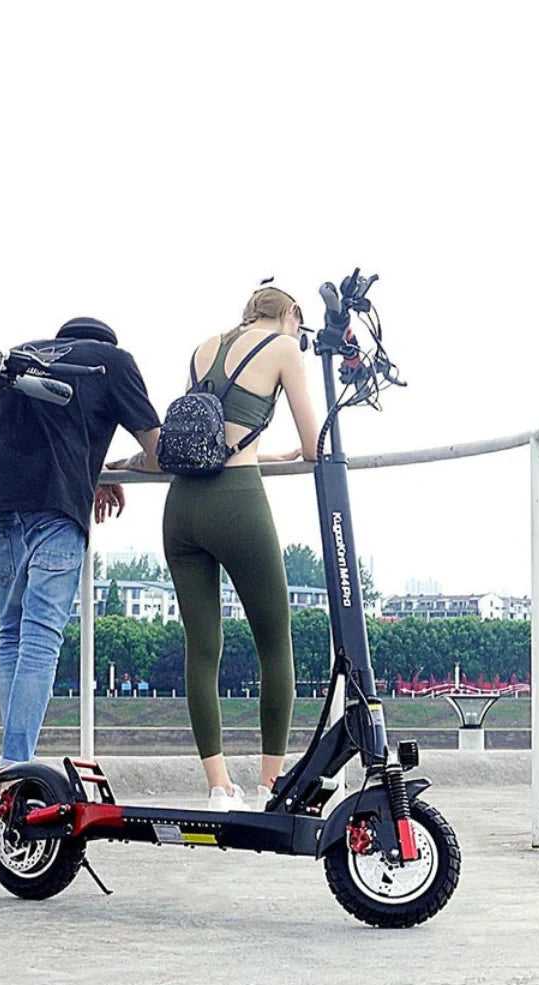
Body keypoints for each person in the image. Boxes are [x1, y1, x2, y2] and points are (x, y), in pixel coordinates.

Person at [109, 285, 320, 812]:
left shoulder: (204, 347)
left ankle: (219, 787)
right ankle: (272, 785)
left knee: (202, 648)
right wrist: (293, 454)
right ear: (291, 314)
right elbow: (316, 446)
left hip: (182, 509)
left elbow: (197, 440)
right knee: (275, 642)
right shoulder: (285, 349)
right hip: (238, 504)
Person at [0, 317, 160, 793]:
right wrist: (116, 466)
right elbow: (158, 452)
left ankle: (8, 774)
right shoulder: (114, 363)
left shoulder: (24, 352)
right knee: (39, 639)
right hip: (55, 506)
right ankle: (15, 771)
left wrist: (93, 469)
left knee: (11, 636)